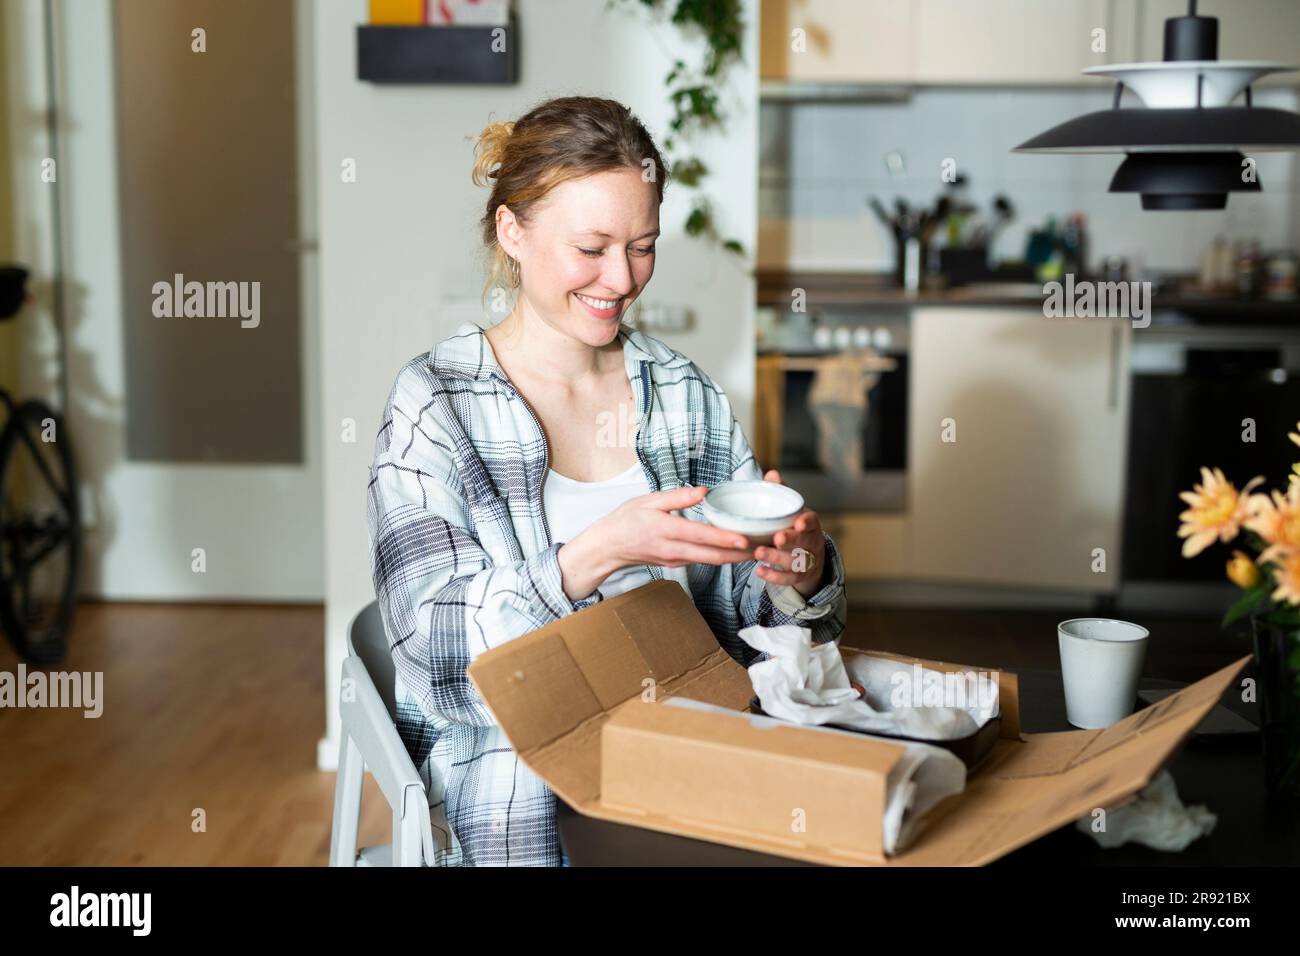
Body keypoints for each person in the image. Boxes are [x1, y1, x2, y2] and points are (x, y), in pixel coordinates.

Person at [366, 95, 847, 866]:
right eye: (591, 248)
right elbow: (431, 651)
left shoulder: (683, 394)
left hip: (693, 747)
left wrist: (799, 572)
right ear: (512, 231)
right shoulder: (435, 403)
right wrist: (588, 557)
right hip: (522, 785)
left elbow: (758, 628)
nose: (620, 279)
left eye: (643, 246)